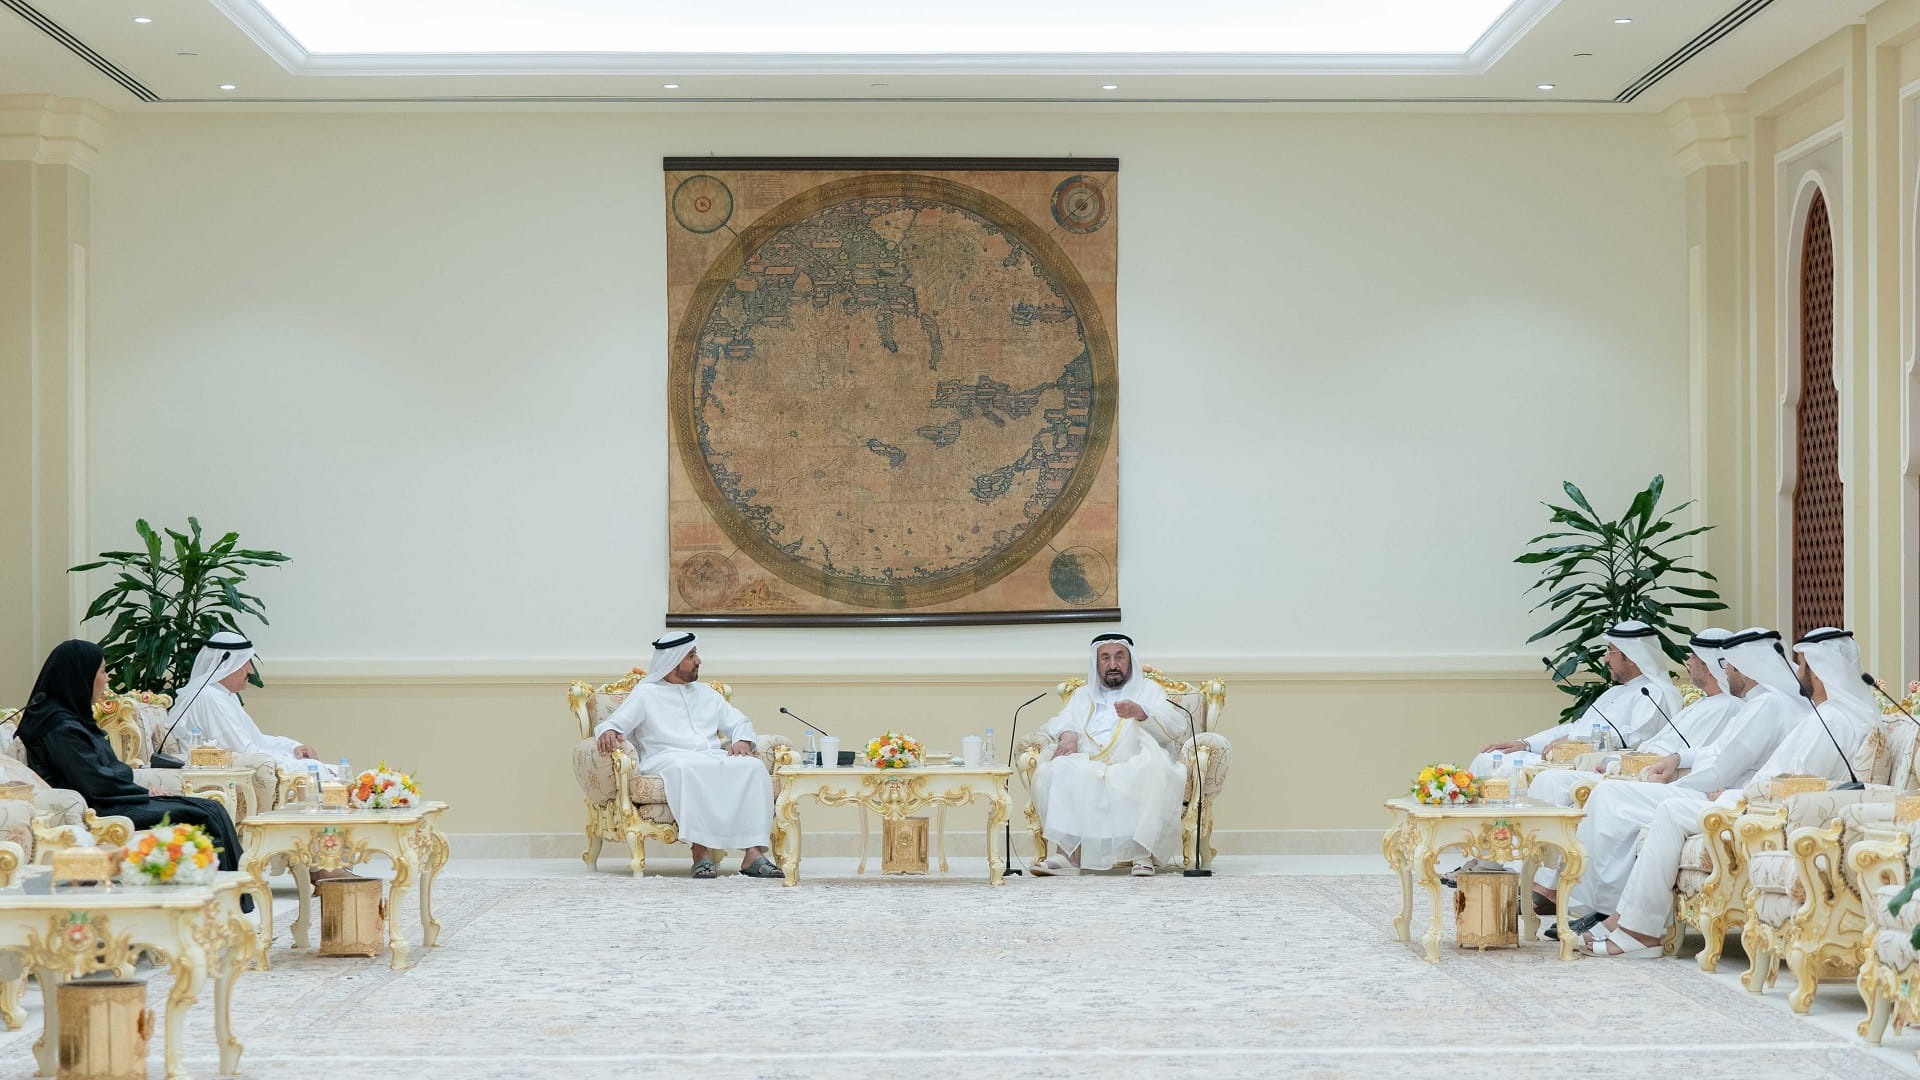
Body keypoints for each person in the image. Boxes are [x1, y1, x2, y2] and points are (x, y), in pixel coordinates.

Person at [1582, 627, 1878, 957]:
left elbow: (1795, 784)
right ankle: (1631, 921)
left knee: (1669, 812)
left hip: (1770, 813)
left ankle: (1641, 931)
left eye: (1804, 665)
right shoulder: (1833, 714)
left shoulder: (1833, 720)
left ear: (1820, 671)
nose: (1798, 673)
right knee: (1667, 810)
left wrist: (1729, 798)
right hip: (1756, 802)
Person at [1537, 627, 1802, 921]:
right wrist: (1677, 758)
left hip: (1719, 794)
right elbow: (1716, 751)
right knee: (1608, 797)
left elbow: (1720, 767)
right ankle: (1601, 907)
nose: (1726, 673)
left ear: (1749, 667)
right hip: (1712, 787)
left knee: (1609, 797)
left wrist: (1668, 780)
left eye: (1731, 666)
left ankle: (1601, 909)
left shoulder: (1765, 704)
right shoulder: (1763, 703)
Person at [17, 640, 250, 909]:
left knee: (211, 808)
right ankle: (223, 905)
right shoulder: (58, 726)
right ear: (80, 676)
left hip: (116, 797)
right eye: (102, 672)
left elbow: (108, 770)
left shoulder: (70, 717)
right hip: (103, 808)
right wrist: (144, 793)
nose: (106, 680)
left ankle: (232, 900)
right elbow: (93, 781)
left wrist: (141, 791)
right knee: (205, 812)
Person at [593, 633, 780, 879]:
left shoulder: (706, 693)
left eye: (696, 655)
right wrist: (608, 731)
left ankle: (753, 855)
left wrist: (742, 740)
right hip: (667, 758)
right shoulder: (646, 693)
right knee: (687, 767)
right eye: (691, 656)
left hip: (709, 755)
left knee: (753, 767)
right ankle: (700, 853)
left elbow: (739, 722)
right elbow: (616, 724)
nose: (698, 661)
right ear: (673, 661)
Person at [1525, 629, 1743, 808]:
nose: (1687, 662)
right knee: (1546, 777)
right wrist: (1615, 762)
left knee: (1554, 780)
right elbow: (1652, 747)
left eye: (1693, 657)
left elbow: (1679, 755)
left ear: (1708, 663)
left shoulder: (1725, 707)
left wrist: (1621, 766)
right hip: (1632, 770)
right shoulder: (1703, 703)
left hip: (1653, 778)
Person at [1029, 633, 1187, 877]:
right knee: (1059, 767)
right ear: (1097, 663)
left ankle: (1142, 854)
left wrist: (1141, 712)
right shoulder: (1083, 694)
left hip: (1133, 757)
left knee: (1147, 768)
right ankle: (1066, 856)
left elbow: (1175, 725)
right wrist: (1067, 734)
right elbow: (1062, 719)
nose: (1113, 665)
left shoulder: (1148, 690)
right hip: (1089, 760)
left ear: (1130, 661)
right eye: (1105, 658)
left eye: (1119, 656)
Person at [1470, 621, 1682, 776]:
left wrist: (1575, 741)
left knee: (1508, 769)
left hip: (1599, 766)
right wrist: (1525, 744)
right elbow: (1577, 727)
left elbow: (1636, 737)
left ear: (1634, 658)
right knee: (1490, 758)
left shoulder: (1653, 692)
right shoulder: (1615, 691)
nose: (1605, 659)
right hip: (1569, 759)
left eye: (1610, 652)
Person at [166, 632, 337, 778]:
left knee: (328, 769)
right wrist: (293, 763)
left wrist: (293, 747)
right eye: (245, 663)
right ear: (226, 664)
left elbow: (257, 739)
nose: (251, 671)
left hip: (246, 764)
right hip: (221, 773)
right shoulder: (207, 697)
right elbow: (243, 750)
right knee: (319, 771)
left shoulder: (224, 695)